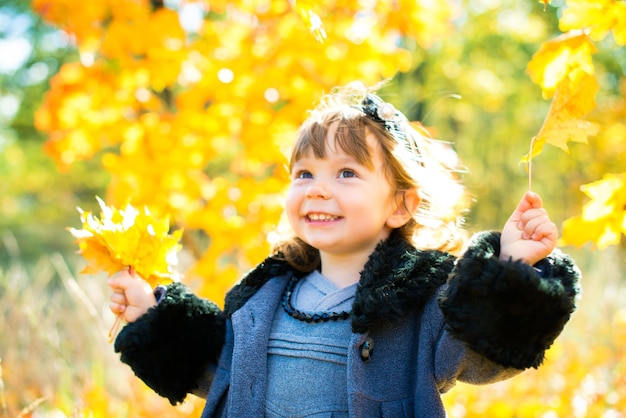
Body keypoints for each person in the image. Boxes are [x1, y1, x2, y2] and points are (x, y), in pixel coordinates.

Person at [107, 81, 581, 417]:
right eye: (304, 174)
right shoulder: (268, 294)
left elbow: (479, 357)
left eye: (346, 173)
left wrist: (512, 269)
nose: (317, 189)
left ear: (399, 205)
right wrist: (154, 317)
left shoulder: (421, 297)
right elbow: (223, 377)